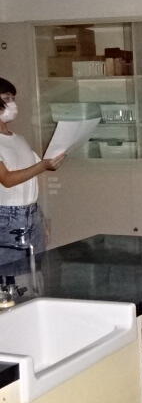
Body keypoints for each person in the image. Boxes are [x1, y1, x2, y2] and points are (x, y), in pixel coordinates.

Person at [0, 77, 65, 265]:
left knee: (34, 271)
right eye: (6, 98)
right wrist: (42, 166)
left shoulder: (18, 139)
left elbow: (32, 173)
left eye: (13, 98)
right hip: (7, 215)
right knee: (10, 273)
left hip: (31, 211)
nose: (12, 104)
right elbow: (7, 179)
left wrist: (40, 218)